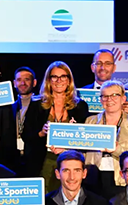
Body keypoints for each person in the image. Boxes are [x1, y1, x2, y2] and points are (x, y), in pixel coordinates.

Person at [21, 61, 91, 192]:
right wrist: (41, 133)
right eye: (54, 77)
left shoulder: (80, 106)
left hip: (70, 161)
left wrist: (67, 146)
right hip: (42, 161)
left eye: (63, 76)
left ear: (69, 80)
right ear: (49, 80)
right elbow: (26, 135)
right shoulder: (37, 105)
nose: (59, 81)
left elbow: (86, 140)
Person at [83, 80, 128, 200]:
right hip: (93, 176)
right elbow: (82, 150)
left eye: (114, 95)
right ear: (100, 100)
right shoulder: (90, 121)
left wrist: (116, 149)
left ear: (123, 99)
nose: (109, 100)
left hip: (120, 178)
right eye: (105, 96)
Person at [7, 66, 39, 205]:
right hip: (13, 163)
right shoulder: (9, 106)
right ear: (14, 83)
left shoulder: (41, 105)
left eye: (27, 79)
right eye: (19, 79)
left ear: (34, 83)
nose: (23, 83)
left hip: (34, 164)